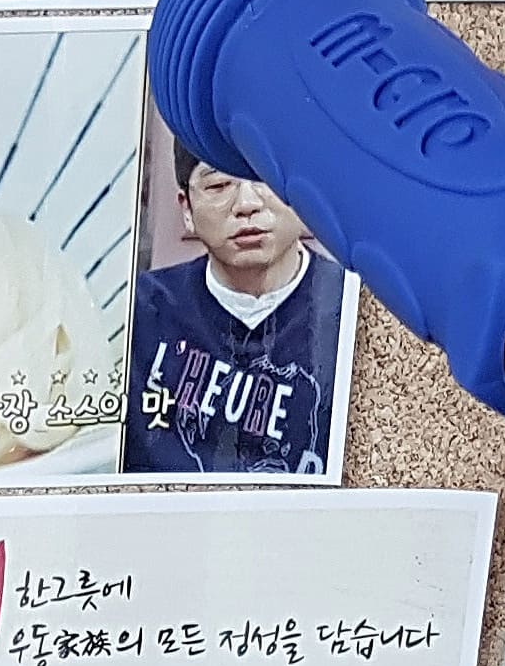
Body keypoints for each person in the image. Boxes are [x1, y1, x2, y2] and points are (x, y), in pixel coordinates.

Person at [124, 137, 348, 477]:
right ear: (187, 210)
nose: (246, 205)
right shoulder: (140, 312)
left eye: (267, 178)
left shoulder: (352, 308)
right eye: (219, 185)